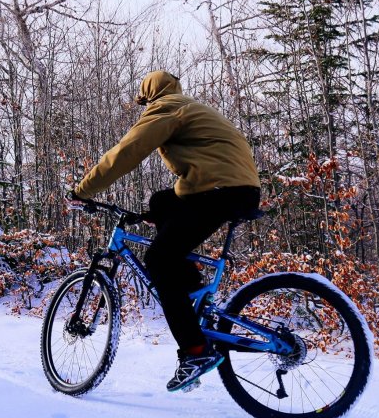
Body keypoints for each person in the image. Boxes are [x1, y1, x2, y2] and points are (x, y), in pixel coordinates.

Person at [69, 70, 261, 392]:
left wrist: (83, 190)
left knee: (159, 260)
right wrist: (154, 214)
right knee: (161, 201)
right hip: (235, 188)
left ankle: (195, 351)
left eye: (143, 102)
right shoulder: (191, 106)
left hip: (216, 190)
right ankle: (189, 292)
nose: (144, 107)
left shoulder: (166, 106)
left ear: (149, 96)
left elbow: (127, 152)